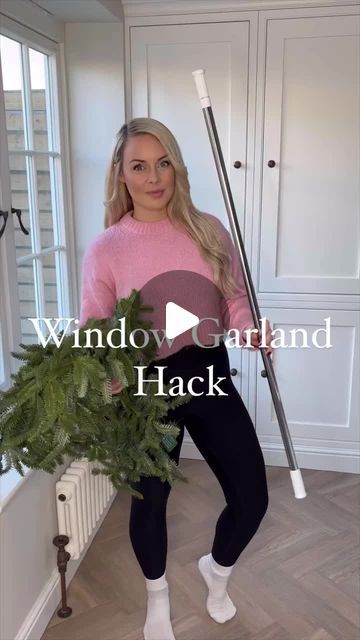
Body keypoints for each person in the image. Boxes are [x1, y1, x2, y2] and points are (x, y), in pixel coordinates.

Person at [79, 117, 272, 640]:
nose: (154, 177)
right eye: (139, 166)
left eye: (163, 162)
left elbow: (232, 298)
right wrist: (109, 372)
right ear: (121, 176)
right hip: (146, 394)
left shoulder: (209, 229)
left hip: (208, 378)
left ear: (178, 167)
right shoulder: (107, 248)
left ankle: (218, 569)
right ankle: (158, 598)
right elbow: (94, 331)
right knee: (152, 502)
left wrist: (249, 331)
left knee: (252, 496)